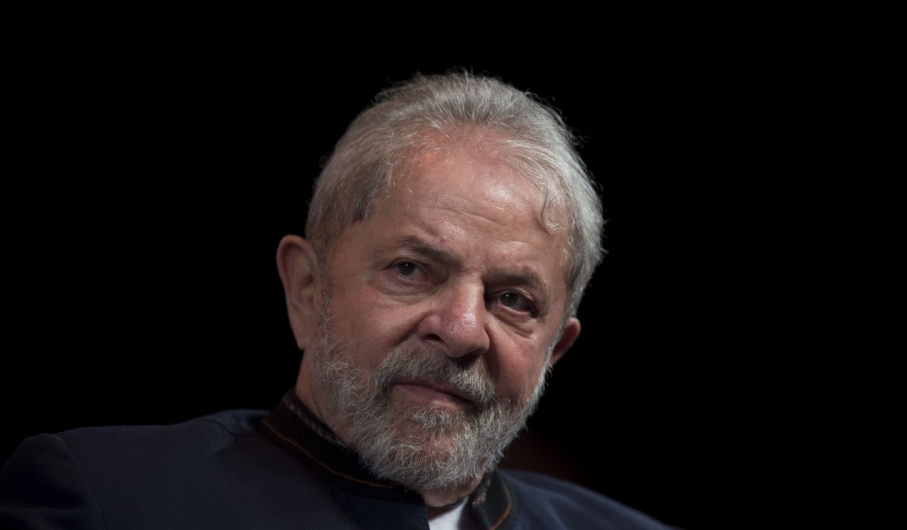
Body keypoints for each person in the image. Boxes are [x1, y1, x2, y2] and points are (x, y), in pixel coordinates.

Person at [0, 73, 675, 529]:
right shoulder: (111, 500)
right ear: (307, 289)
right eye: (413, 269)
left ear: (554, 350)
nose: (464, 329)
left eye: (514, 299)